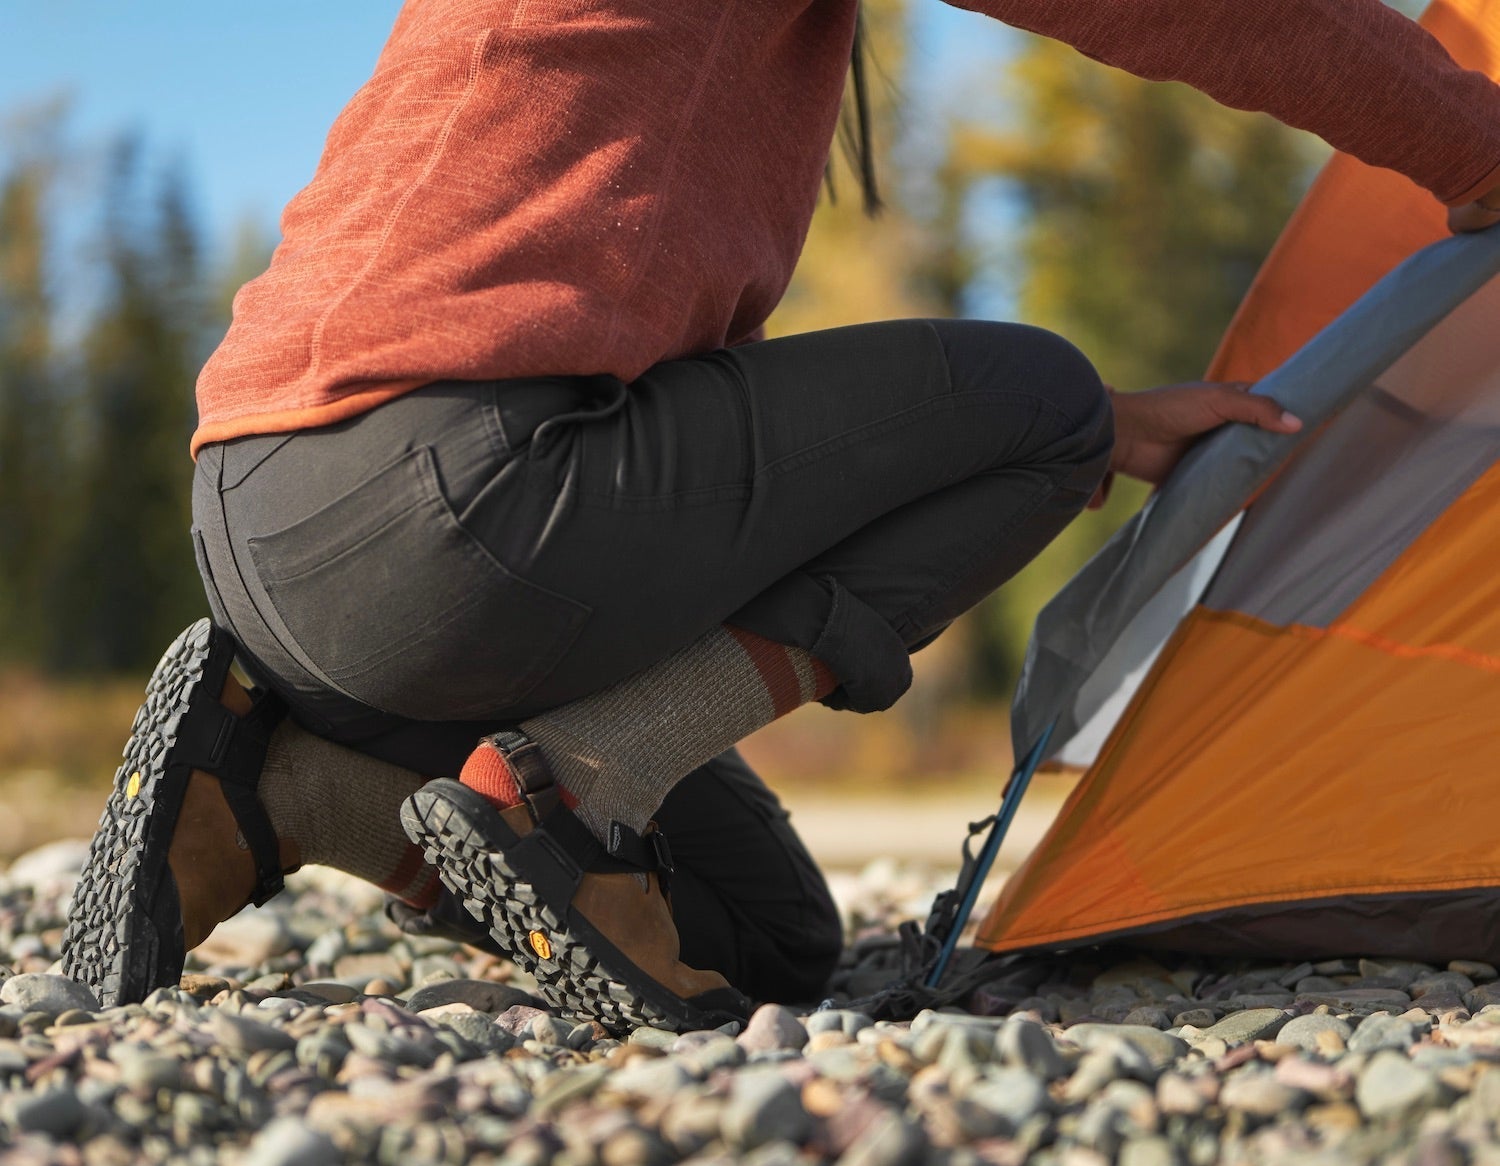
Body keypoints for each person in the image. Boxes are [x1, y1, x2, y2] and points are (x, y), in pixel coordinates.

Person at [62, 0, 1500, 1032]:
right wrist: (1474, 138)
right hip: (456, 501)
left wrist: (1098, 427)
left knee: (765, 946)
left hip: (275, 503)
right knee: (1038, 391)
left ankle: (273, 790)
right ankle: (579, 781)